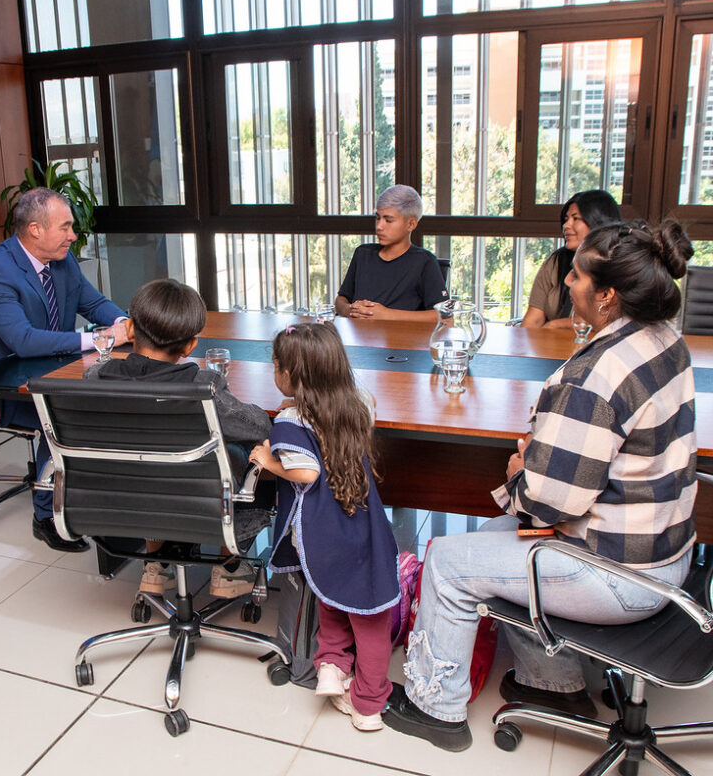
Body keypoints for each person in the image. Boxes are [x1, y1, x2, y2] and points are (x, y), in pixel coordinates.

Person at [384, 219, 697, 752]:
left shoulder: (598, 373)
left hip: (622, 576)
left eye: (576, 276)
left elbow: (549, 503)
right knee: (499, 534)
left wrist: (517, 471)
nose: (567, 283)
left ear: (607, 296)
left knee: (447, 559)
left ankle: (433, 708)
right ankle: (554, 684)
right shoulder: (664, 340)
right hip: (669, 554)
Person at [0, 187, 128, 552]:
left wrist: (123, 322)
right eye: (65, 227)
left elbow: (94, 302)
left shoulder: (62, 261)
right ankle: (46, 516)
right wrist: (98, 340)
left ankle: (90, 502)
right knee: (68, 415)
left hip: (49, 370)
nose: (73, 235)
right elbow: (23, 341)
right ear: (35, 229)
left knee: (103, 402)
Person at [249, 323, 400, 732]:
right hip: (362, 529)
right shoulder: (359, 403)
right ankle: (353, 690)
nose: (273, 371)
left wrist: (268, 461)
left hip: (321, 535)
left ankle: (348, 685)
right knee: (367, 613)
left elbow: (307, 472)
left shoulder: (289, 422)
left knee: (333, 596)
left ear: (290, 374)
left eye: (276, 364)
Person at [84, 278, 273, 597]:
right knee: (245, 451)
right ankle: (228, 568)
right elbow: (259, 428)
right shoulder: (204, 387)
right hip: (195, 498)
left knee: (144, 457)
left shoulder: (95, 378)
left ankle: (156, 564)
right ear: (190, 346)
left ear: (129, 330)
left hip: (124, 500)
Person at [335, 185, 448, 321]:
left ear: (411, 224)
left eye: (388, 220)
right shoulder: (362, 254)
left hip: (400, 340)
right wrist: (349, 310)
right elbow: (341, 299)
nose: (379, 226)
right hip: (356, 338)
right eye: (377, 218)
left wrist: (387, 315)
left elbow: (445, 317)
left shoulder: (425, 262)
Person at [521, 189, 621, 328]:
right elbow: (533, 319)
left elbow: (607, 322)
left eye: (575, 218)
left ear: (597, 221)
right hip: (551, 347)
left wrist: (555, 324)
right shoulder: (556, 260)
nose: (566, 225)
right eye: (566, 219)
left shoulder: (620, 265)